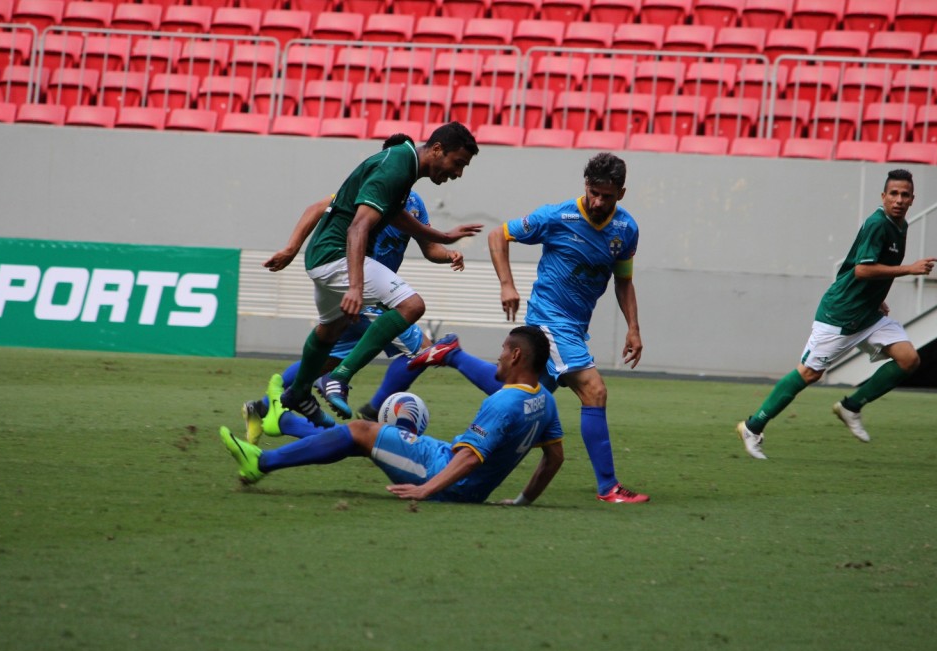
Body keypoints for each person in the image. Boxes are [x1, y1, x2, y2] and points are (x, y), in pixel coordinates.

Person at [242, 138, 475, 442]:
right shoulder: (381, 179)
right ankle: (370, 407)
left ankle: (270, 402)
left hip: (366, 285)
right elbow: (328, 213)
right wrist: (293, 249)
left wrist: (447, 248)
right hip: (358, 283)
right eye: (457, 163)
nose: (457, 173)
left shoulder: (410, 199)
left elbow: (426, 243)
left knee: (330, 346)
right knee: (420, 343)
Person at [221, 326, 565, 505]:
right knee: (373, 431)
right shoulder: (545, 400)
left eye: (504, 350)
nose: (499, 357)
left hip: (446, 478)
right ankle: (284, 424)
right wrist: (522, 501)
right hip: (448, 463)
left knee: (359, 431)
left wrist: (426, 490)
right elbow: (554, 458)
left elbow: (470, 460)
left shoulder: (502, 404)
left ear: (517, 355)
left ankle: (261, 462)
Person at [481, 152, 649, 504]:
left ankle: (465, 464)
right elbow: (498, 236)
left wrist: (633, 327)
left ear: (622, 192)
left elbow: (623, 281)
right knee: (594, 391)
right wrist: (506, 284)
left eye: (608, 194)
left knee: (521, 407)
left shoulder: (626, 229)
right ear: (585, 186)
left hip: (573, 326)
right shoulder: (557, 217)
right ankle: (609, 488)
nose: (599, 201)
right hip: (549, 322)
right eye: (594, 192)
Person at [736, 168, 937, 460]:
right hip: (840, 314)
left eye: (904, 194)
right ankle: (753, 427)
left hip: (867, 313)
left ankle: (850, 407)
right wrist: (910, 269)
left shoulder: (900, 225)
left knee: (908, 359)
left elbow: (870, 270)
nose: (898, 199)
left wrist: (877, 298)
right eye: (893, 194)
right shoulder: (877, 224)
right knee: (809, 373)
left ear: (912, 199)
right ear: (883, 196)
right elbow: (862, 268)